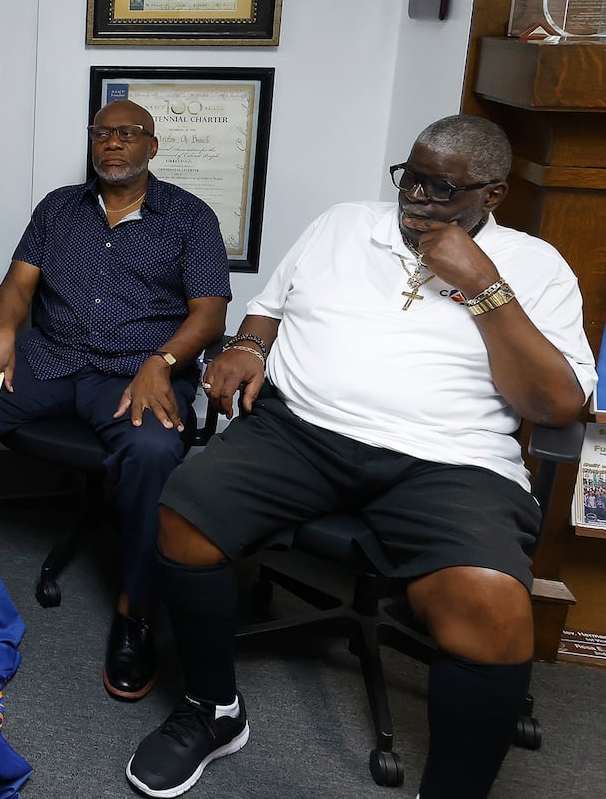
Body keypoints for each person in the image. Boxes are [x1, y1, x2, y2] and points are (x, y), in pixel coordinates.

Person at [125, 115, 595, 799]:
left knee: (491, 605)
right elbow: (267, 308)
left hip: (451, 459)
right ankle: (213, 708)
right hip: (302, 430)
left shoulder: (536, 265)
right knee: (183, 517)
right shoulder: (343, 224)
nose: (416, 199)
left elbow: (555, 405)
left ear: (492, 195)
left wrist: (484, 286)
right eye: (412, 176)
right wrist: (250, 347)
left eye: (442, 187)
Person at [0, 99, 229, 702]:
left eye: (129, 134)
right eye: (103, 133)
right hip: (52, 357)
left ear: (151, 148)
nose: (113, 143)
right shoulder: (59, 208)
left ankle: (136, 612)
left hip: (139, 373)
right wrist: (4, 332)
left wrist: (162, 363)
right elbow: (18, 285)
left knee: (155, 449)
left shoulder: (190, 217)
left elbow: (210, 314)